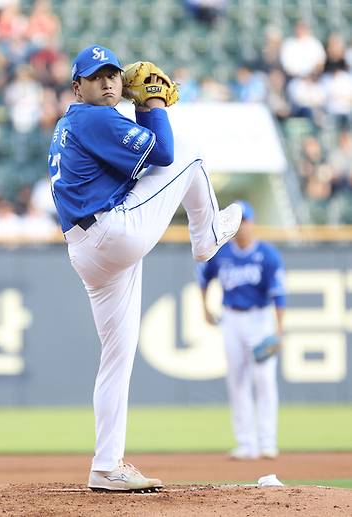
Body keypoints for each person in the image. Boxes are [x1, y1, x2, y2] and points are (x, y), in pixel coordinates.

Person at [48, 44, 242, 492]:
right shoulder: (93, 116)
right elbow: (165, 153)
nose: (109, 82)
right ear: (77, 87)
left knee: (116, 359)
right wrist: (152, 102)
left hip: (89, 250)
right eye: (96, 76)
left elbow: (136, 168)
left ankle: (106, 465)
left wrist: (140, 111)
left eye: (113, 74)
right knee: (191, 152)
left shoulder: (75, 124)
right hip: (112, 233)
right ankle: (206, 236)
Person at [197, 201, 286, 460]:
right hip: (231, 320)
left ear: (252, 223)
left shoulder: (267, 255)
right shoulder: (222, 253)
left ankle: (267, 442)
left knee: (264, 380)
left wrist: (279, 329)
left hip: (260, 319)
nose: (242, 226)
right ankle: (246, 444)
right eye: (238, 222)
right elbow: (203, 277)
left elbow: (279, 295)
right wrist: (204, 307)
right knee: (236, 380)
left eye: (244, 221)